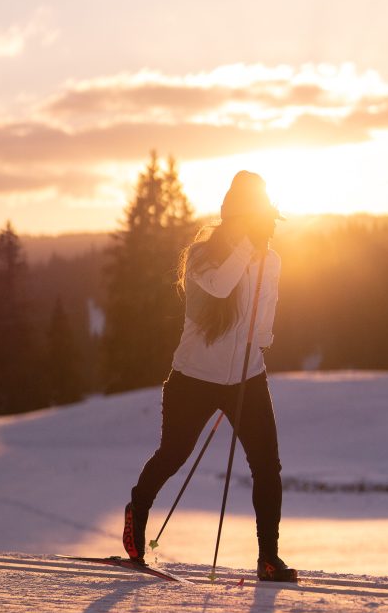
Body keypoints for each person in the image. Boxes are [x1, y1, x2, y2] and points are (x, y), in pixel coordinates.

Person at [122, 170, 296, 582]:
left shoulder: (270, 260)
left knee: (267, 466)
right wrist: (248, 247)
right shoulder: (203, 256)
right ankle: (138, 507)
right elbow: (219, 287)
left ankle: (268, 557)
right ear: (237, 218)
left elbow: (264, 324)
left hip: (247, 376)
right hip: (194, 377)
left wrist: (255, 350)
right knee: (173, 456)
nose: (265, 226)